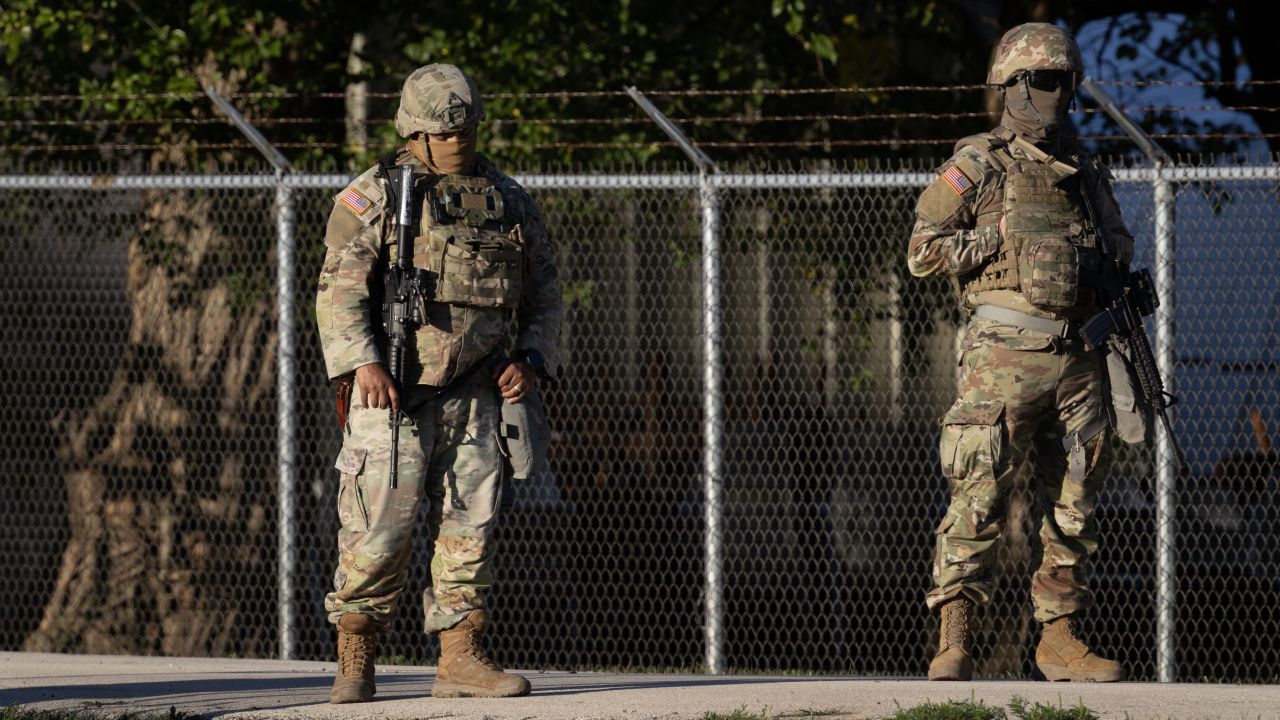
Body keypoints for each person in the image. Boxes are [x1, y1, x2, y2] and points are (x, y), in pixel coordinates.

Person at [316, 63, 561, 703]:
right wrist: (362, 362)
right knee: (378, 534)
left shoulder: (507, 198)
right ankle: (356, 656)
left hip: (477, 394)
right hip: (390, 393)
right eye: (444, 132)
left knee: (469, 532)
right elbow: (337, 289)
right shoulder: (375, 197)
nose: (459, 141)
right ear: (415, 135)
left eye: (467, 129)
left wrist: (530, 360)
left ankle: (460, 659)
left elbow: (546, 294)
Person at [907, 23, 1134, 682]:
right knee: (977, 494)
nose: (1054, 93)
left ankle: (1059, 641)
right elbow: (923, 251)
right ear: (1009, 85)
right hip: (1002, 356)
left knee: (1076, 503)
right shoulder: (978, 162)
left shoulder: (1085, 168)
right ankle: (954, 638)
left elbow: (1118, 242)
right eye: (1041, 81)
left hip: (1080, 356)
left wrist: (1099, 267)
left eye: (1063, 81)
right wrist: (995, 238)